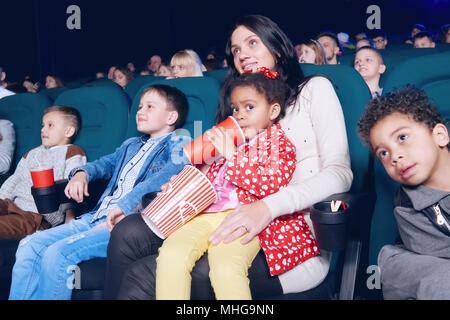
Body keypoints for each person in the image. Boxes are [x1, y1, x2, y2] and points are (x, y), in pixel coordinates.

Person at [104, 14, 352, 300]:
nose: (243, 54)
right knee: (127, 233)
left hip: (287, 233)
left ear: (278, 49)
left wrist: (268, 208)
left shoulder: (313, 90)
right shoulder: (238, 111)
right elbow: (217, 175)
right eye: (236, 50)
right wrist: (170, 196)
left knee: (145, 275)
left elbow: (340, 174)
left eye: (252, 43)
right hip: (224, 214)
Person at [8, 84, 191, 300]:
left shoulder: (180, 142)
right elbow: (104, 164)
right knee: (29, 245)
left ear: (171, 117)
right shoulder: (130, 145)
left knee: (57, 254)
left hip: (123, 225)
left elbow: (164, 177)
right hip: (93, 217)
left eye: (150, 107)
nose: (140, 111)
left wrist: (124, 206)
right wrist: (81, 173)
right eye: (140, 106)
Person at [156, 71, 318, 300]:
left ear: (273, 111)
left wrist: (232, 155)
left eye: (249, 107)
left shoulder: (278, 144)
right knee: (171, 254)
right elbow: (207, 178)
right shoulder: (230, 140)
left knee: (225, 268)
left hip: (245, 217)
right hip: (207, 212)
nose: (240, 115)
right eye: (235, 108)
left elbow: (270, 186)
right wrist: (180, 185)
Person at [357, 86, 450, 299]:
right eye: (383, 153)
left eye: (402, 138)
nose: (394, 156)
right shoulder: (408, 205)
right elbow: (435, 253)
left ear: (440, 136)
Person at [0, 106, 86, 239]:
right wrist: (2, 200)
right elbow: (15, 179)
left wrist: (70, 217)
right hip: (11, 205)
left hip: (36, 217)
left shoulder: (71, 152)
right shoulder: (31, 154)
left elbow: (70, 184)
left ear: (68, 131)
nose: (43, 129)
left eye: (50, 125)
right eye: (43, 125)